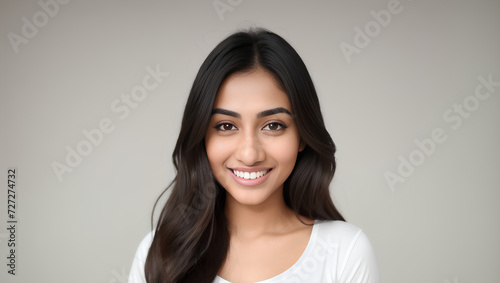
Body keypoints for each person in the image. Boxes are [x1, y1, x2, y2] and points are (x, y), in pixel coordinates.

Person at [128, 28, 380, 283]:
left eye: (273, 125)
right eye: (226, 126)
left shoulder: (345, 251)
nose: (249, 155)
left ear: (302, 135)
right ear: (202, 136)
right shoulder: (160, 252)